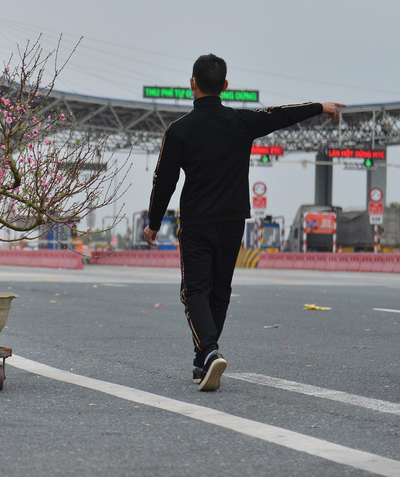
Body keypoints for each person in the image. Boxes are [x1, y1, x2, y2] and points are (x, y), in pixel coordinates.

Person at [145, 53, 344, 391]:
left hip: (196, 223)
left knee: (194, 291)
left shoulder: (178, 131)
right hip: (234, 220)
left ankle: (208, 352)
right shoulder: (241, 122)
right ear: (224, 86)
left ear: (192, 84)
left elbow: (164, 179)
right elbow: (281, 115)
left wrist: (153, 221)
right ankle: (201, 362)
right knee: (219, 291)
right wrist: (320, 106)